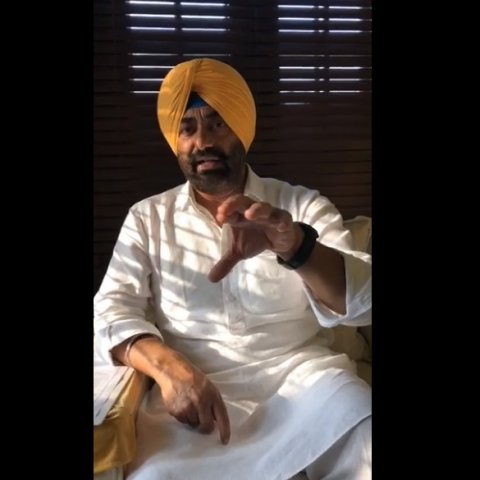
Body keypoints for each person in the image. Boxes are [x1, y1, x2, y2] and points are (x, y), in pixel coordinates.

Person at [94, 58, 372, 480]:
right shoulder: (147, 218)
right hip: (194, 394)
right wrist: (170, 369)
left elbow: (362, 303)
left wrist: (295, 246)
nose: (202, 141)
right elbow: (111, 309)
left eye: (218, 124)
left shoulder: (301, 205)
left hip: (306, 383)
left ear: (242, 129)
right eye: (187, 128)